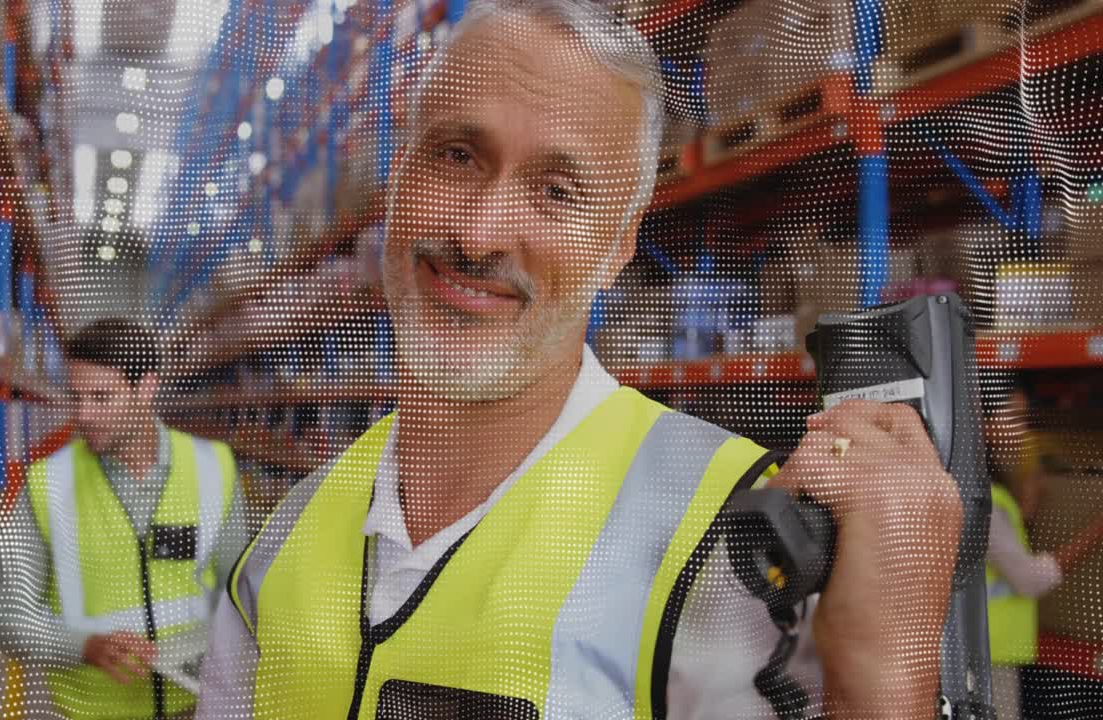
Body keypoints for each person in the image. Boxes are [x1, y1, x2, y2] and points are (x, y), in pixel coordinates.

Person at [196, 0, 962, 717]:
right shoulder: (282, 544)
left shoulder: (730, 546)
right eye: (456, 156)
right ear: (399, 178)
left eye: (558, 193)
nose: (481, 233)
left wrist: (881, 691)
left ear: (619, 246)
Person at [0, 318, 251, 719]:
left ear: (146, 389)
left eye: (102, 397)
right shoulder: (46, 484)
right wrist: (83, 645)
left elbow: (239, 597)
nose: (85, 415)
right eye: (76, 397)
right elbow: (8, 617)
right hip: (91, 710)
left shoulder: (213, 467)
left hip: (192, 705)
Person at [983, 388, 1103, 720]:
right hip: (988, 657)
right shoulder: (985, 501)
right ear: (984, 425)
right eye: (1014, 419)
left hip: (991, 653)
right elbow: (1029, 579)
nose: (1024, 430)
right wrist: (1096, 531)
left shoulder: (991, 492)